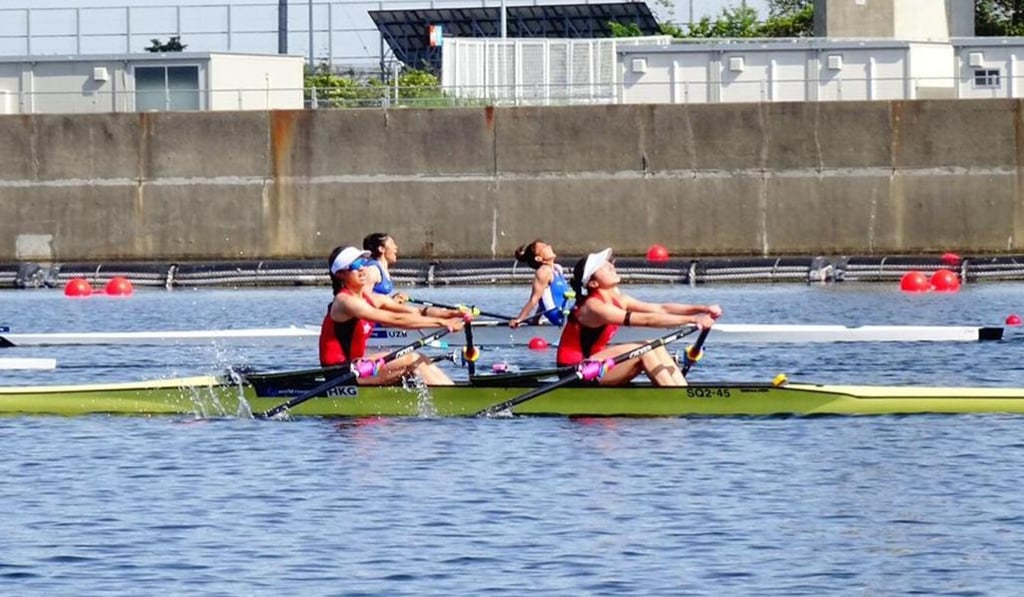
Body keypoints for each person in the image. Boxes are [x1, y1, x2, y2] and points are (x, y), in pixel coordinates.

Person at [556, 248, 722, 387]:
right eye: (603, 267)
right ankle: (676, 398)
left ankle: (682, 390)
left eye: (609, 264)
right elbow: (646, 320)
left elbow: (661, 308)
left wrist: (702, 309)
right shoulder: (594, 307)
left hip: (597, 364)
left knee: (656, 346)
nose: (610, 266)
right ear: (593, 284)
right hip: (575, 372)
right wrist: (694, 320)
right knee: (646, 348)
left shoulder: (620, 300)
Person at [319, 246, 466, 385]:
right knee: (413, 359)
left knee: (413, 359)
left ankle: (448, 390)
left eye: (363, 262)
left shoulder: (373, 299)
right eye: (356, 265)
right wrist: (442, 323)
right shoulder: (344, 301)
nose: (362, 268)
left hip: (357, 364)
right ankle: (455, 401)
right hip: (339, 373)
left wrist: (452, 313)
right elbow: (395, 319)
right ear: (340, 274)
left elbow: (417, 312)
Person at [509, 240, 574, 328]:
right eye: (544, 247)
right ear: (538, 258)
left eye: (546, 244)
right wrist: (519, 319)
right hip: (559, 317)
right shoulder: (543, 272)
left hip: (566, 314)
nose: (549, 246)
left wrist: (536, 319)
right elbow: (534, 299)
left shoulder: (557, 269)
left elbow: (545, 298)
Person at [362, 232, 408, 302]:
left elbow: (380, 299)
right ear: (381, 249)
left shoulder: (382, 269)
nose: (396, 247)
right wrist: (393, 302)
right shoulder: (373, 271)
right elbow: (363, 302)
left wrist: (394, 298)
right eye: (392, 244)